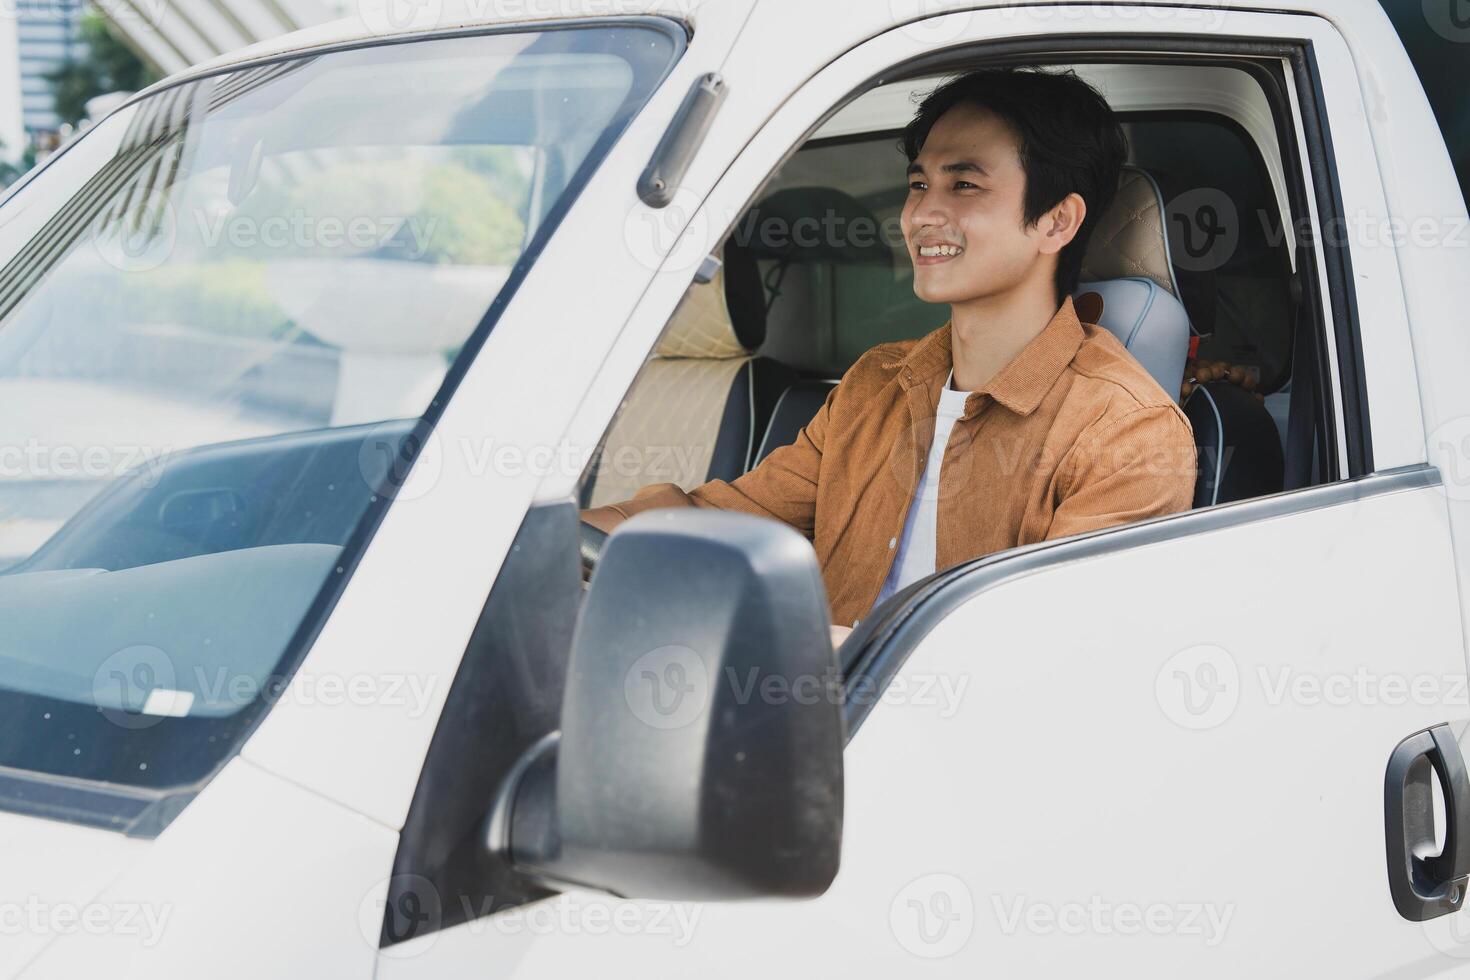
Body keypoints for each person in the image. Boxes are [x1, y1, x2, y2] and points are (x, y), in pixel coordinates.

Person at [582, 67, 1196, 643]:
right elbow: (722, 516)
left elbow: (1043, 655)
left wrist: (798, 648)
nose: (922, 214)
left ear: (1057, 222)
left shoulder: (1128, 433)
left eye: (964, 185)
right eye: (919, 184)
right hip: (804, 713)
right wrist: (538, 544)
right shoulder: (878, 383)